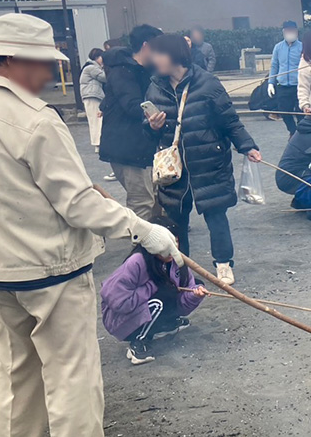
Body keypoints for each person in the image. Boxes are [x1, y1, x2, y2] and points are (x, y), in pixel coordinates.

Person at [0, 13, 181, 437]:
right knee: (70, 369)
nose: (49, 75)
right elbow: (77, 204)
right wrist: (145, 229)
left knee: (14, 370)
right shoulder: (33, 120)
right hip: (49, 266)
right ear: (9, 59)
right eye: (42, 64)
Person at [144, 34, 261, 285]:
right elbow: (146, 128)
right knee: (175, 221)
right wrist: (152, 125)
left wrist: (247, 146)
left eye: (158, 54)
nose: (154, 59)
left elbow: (230, 120)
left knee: (216, 215)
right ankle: (180, 268)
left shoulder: (208, 83)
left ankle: (223, 264)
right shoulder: (155, 86)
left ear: (174, 55)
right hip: (174, 168)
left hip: (209, 161)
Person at [100, 217, 209, 364]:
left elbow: (181, 306)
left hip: (147, 307)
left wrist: (194, 295)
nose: (172, 248)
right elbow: (118, 302)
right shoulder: (136, 262)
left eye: (175, 242)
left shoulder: (178, 261)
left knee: (191, 285)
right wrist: (153, 286)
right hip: (119, 319)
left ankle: (165, 325)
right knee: (162, 295)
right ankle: (138, 343)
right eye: (166, 244)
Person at [99, 23, 162, 219]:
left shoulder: (144, 70)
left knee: (152, 199)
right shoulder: (123, 72)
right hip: (128, 149)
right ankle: (141, 247)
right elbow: (133, 106)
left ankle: (159, 243)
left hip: (140, 147)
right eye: (159, 47)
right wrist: (159, 112)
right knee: (142, 203)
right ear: (146, 46)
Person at [267, 21, 304, 135]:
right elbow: (274, 65)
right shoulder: (278, 47)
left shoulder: (302, 47)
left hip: (299, 85)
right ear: (283, 32)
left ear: (296, 32)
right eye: (288, 31)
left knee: (300, 112)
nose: (290, 33)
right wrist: (270, 82)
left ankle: (301, 133)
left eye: (292, 31)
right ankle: (292, 132)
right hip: (282, 85)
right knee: (284, 111)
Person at [79, 48, 106, 153]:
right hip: (92, 96)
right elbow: (104, 77)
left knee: (96, 119)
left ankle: (98, 143)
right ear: (97, 57)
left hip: (92, 96)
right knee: (96, 120)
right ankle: (97, 144)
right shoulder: (91, 67)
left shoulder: (89, 66)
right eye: (101, 57)